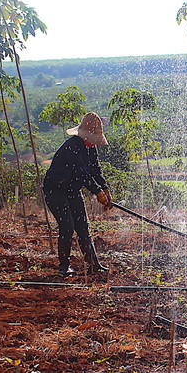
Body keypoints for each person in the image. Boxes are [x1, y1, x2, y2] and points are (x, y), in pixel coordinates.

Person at [42, 112, 113, 276]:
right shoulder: (71, 147)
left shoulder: (91, 148)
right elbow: (82, 174)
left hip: (72, 190)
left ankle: (93, 264)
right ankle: (63, 267)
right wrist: (98, 194)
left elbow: (95, 171)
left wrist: (105, 190)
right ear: (84, 135)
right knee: (67, 226)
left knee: (83, 227)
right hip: (55, 190)